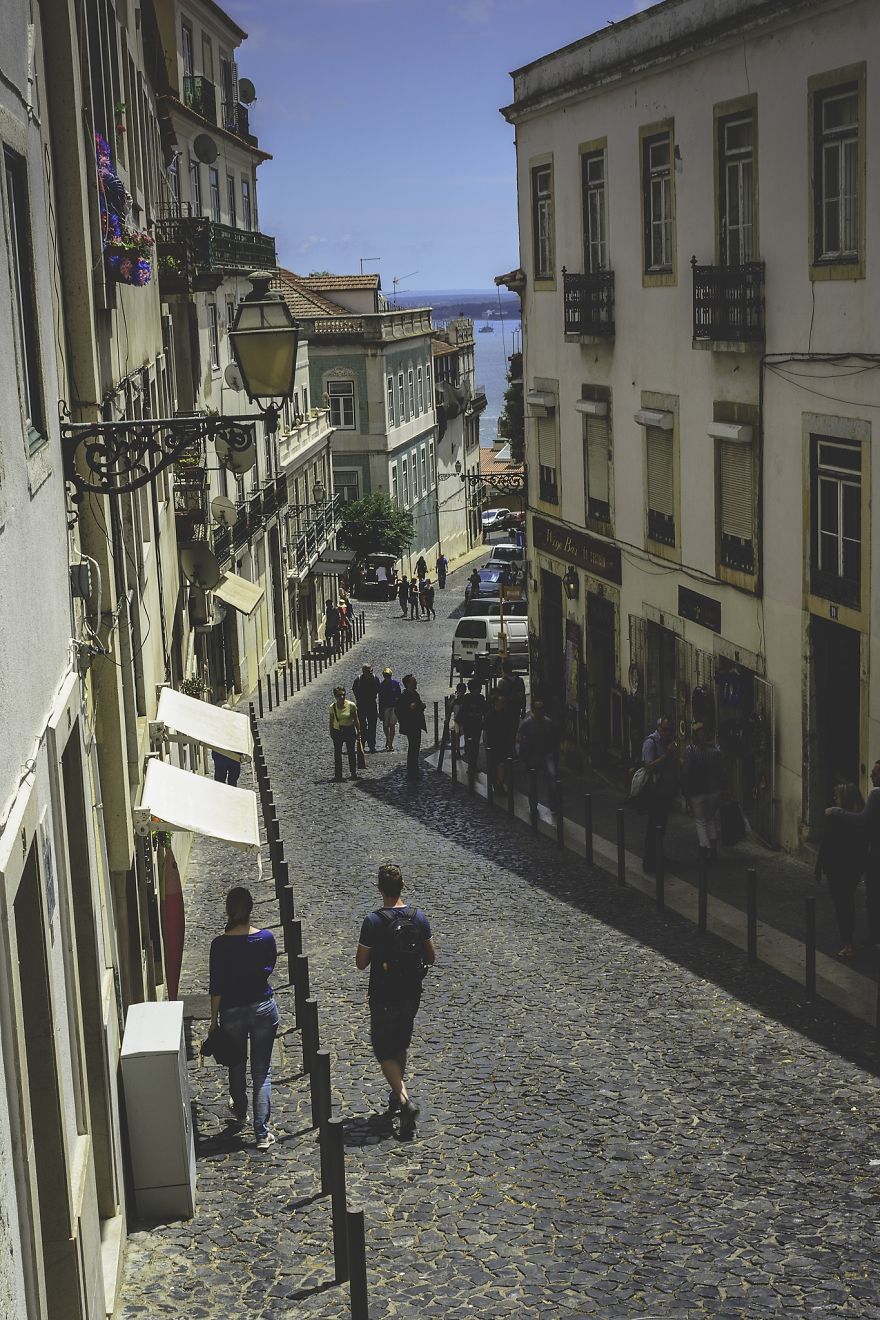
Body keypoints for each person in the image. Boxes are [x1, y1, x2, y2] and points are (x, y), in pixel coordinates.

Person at [355, 864, 435, 1136]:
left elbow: (360, 963)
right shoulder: (419, 917)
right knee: (401, 1043)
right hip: (411, 993)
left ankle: (403, 1100)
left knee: (382, 1049)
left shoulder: (373, 921)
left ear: (380, 889)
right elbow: (432, 957)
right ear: (403, 886)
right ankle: (396, 1096)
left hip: (383, 994)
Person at [209, 887, 279, 1149]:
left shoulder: (219, 945)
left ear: (229, 911)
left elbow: (216, 986)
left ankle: (241, 1111)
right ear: (251, 909)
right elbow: (268, 969)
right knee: (262, 1072)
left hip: (232, 1011)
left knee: (236, 1065)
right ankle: (261, 1134)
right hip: (262, 1007)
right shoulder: (266, 939)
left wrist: (213, 1020)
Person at [826, 759, 880, 947]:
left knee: (873, 898)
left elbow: (862, 821)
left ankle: (875, 936)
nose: (871, 775)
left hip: (876, 855)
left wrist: (837, 811)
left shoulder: (876, 795)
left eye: (875, 772)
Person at [818, 782, 867, 959]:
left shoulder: (837, 817)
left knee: (842, 905)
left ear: (844, 798)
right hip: (852, 870)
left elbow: (826, 845)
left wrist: (822, 867)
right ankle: (848, 941)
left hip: (838, 870)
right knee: (847, 904)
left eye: (836, 796)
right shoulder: (859, 818)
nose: (834, 799)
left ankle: (848, 943)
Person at [640, 716, 680, 873]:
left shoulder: (667, 743)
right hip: (654, 792)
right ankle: (649, 862)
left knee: (661, 827)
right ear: (658, 728)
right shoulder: (650, 743)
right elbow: (648, 766)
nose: (667, 732)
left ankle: (658, 857)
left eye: (670, 729)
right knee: (653, 828)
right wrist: (666, 756)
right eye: (664, 729)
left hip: (665, 792)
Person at [681, 723, 725, 859]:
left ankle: (704, 851)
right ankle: (714, 851)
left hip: (697, 791)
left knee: (700, 821)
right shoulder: (716, 750)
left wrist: (685, 791)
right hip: (714, 791)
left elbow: (686, 772)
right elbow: (721, 771)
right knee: (710, 819)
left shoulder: (690, 750)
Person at [517, 698, 559, 810]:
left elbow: (553, 739)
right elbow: (519, 737)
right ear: (533, 710)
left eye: (541, 708)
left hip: (546, 754)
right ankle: (533, 805)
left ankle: (553, 803)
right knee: (532, 783)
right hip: (532, 756)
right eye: (538, 709)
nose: (540, 711)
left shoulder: (548, 722)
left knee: (552, 778)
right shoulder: (527, 723)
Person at [457, 678, 487, 786]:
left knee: (474, 745)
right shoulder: (468, 699)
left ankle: (473, 765)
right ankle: (471, 765)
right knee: (471, 745)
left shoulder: (478, 698)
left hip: (474, 725)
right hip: (470, 725)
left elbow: (485, 710)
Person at [396, 674, 427, 781]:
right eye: (414, 681)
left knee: (416, 747)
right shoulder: (404, 696)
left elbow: (418, 705)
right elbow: (400, 710)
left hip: (417, 724)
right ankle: (412, 769)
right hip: (410, 725)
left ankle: (414, 767)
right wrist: (411, 708)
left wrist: (419, 706)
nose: (416, 683)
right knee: (413, 747)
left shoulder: (415, 694)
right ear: (408, 683)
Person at [329, 685, 362, 780]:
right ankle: (338, 775)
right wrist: (331, 732)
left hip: (349, 730)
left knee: (351, 752)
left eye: (343, 695)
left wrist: (358, 730)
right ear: (335, 697)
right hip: (337, 731)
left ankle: (353, 773)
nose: (342, 697)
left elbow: (356, 719)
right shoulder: (332, 707)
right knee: (337, 753)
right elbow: (331, 721)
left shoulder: (351, 705)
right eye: (339, 695)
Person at [484, 693, 514, 790]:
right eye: (502, 702)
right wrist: (487, 745)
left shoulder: (506, 714)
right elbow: (485, 731)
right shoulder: (490, 715)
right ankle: (497, 783)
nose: (504, 704)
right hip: (493, 743)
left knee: (502, 764)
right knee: (496, 764)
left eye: (504, 702)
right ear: (496, 703)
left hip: (504, 743)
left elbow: (509, 728)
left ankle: (499, 783)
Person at [353, 663, 380, 753]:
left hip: (372, 704)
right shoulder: (359, 679)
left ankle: (372, 745)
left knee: (372, 725)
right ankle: (362, 744)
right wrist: (359, 698)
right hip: (362, 705)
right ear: (363, 671)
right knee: (362, 726)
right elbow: (354, 689)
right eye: (367, 671)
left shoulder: (375, 679)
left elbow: (378, 689)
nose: (370, 672)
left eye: (370, 670)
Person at [497, 658, 526, 727]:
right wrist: (523, 709)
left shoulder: (501, 682)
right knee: (515, 727)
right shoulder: (520, 680)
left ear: (503, 670)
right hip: (516, 708)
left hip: (506, 709)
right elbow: (523, 695)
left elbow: (500, 697)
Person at [378, 666, 402, 752]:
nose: (386, 677)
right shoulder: (381, 685)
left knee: (392, 725)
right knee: (385, 725)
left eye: (388, 676)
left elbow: (399, 696)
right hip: (385, 708)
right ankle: (387, 738)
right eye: (385, 676)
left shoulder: (395, 684)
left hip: (394, 707)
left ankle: (390, 743)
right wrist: (380, 711)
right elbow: (380, 699)